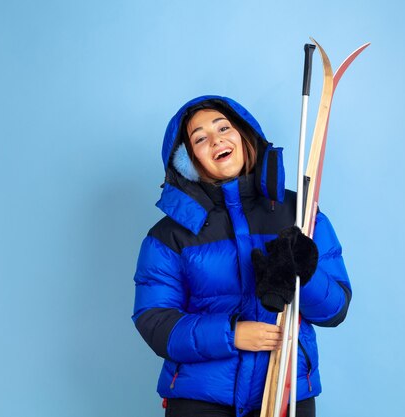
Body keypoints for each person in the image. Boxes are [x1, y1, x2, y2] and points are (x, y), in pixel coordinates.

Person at [132, 95, 351, 417]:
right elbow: (155, 321)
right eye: (200, 138)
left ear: (244, 136)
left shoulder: (301, 214)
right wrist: (231, 334)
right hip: (202, 398)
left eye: (224, 127)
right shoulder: (168, 236)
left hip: (285, 391)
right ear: (187, 160)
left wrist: (307, 274)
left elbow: (335, 311)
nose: (216, 139)